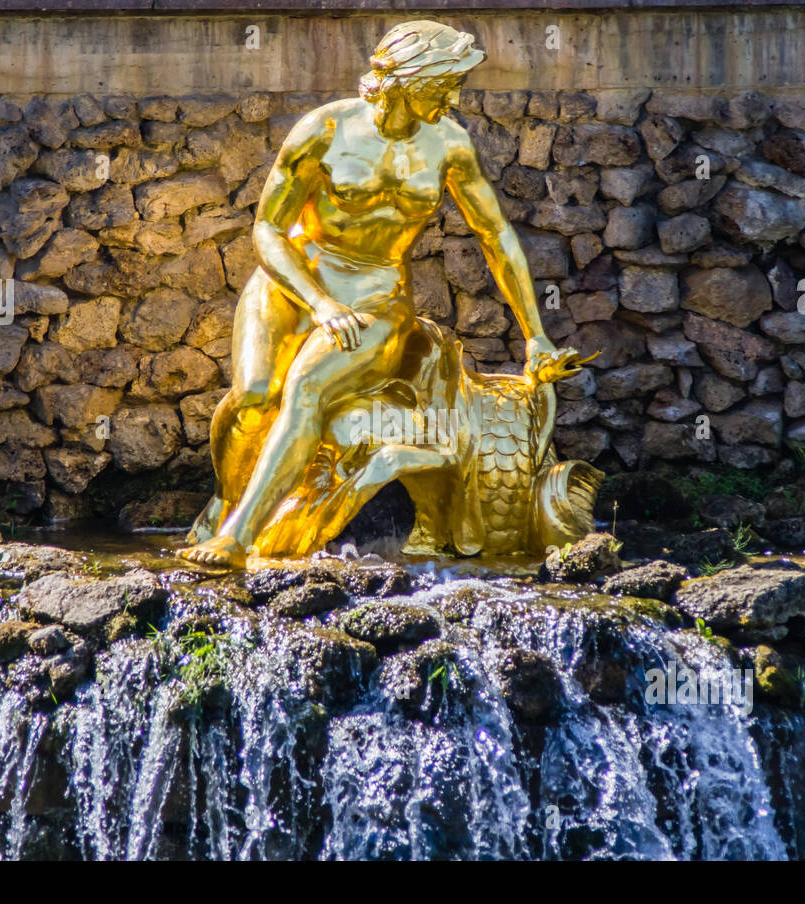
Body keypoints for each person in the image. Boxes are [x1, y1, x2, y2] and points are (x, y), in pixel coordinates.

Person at [183, 20, 569, 569]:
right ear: (407, 79)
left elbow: (497, 237)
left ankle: (237, 538)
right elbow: (267, 229)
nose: (455, 98)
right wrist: (318, 303)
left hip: (377, 299)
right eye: (445, 85)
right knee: (254, 396)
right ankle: (227, 498)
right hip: (293, 284)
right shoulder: (326, 129)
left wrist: (536, 336)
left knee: (309, 387)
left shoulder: (450, 145)